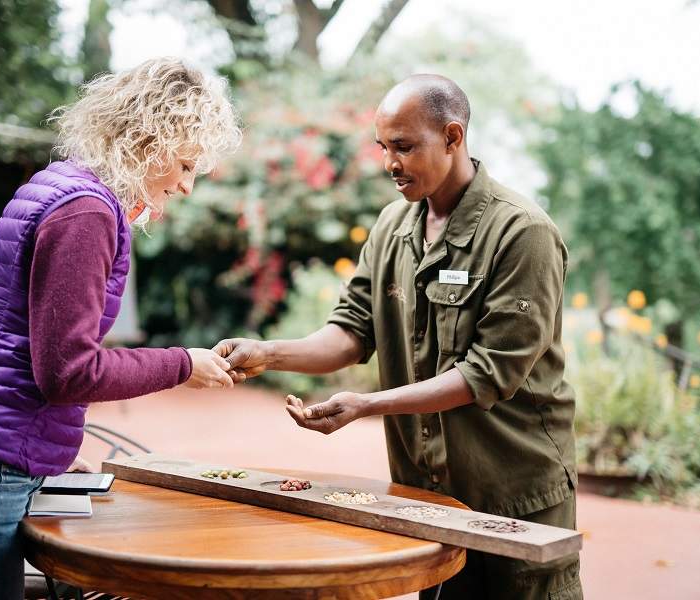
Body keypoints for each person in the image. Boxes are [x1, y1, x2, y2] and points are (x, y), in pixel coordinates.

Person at [216, 74, 581, 600]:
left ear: (453, 137)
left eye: (405, 147)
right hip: (425, 492)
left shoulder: (523, 233)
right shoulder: (392, 227)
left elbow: (488, 373)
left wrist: (366, 405)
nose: (390, 163)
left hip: (513, 492)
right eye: (384, 147)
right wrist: (267, 353)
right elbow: (350, 332)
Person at [0, 57, 241, 599]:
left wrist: (47, 447)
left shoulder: (62, 186)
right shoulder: (87, 214)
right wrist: (183, 364)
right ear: (151, 139)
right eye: (186, 164)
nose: (187, 185)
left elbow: (11, 343)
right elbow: (68, 371)